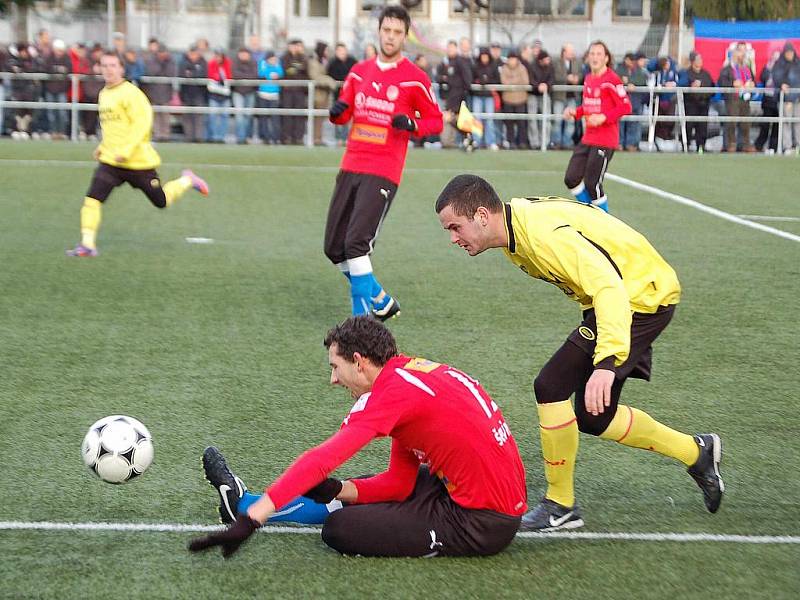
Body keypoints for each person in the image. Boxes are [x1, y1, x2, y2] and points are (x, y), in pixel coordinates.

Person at [434, 174, 724, 531]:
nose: (453, 238)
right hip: (624, 294)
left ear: (481, 215)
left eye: (455, 227)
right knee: (594, 418)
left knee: (551, 385)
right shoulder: (513, 231)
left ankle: (560, 504)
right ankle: (697, 452)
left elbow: (607, 285)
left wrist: (606, 362)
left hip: (638, 299)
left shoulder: (542, 236)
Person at [188, 316, 527, 558]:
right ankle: (245, 504)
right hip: (463, 490)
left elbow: (320, 460)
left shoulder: (390, 396)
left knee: (341, 529)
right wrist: (338, 489)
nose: (333, 379)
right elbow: (399, 484)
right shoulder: (409, 373)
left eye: (336, 367)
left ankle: (247, 510)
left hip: (481, 523)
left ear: (359, 361)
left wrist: (252, 522)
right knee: (356, 490)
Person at [325, 5, 443, 319]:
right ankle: (379, 297)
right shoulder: (358, 72)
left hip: (383, 170)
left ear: (405, 37)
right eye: (386, 30)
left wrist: (413, 126)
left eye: (397, 33)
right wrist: (337, 113)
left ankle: (361, 325)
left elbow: (436, 122)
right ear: (378, 31)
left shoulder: (415, 79)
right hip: (351, 164)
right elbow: (346, 113)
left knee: (356, 245)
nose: (390, 37)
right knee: (334, 248)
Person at [65, 51, 210, 257]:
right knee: (92, 199)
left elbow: (142, 126)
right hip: (111, 162)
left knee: (161, 202)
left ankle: (187, 180)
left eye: (113, 65)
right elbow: (112, 126)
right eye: (104, 66)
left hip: (138, 162)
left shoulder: (131, 94)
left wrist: (126, 150)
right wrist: (102, 147)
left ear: (122, 69)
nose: (108, 70)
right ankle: (87, 245)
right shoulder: (104, 93)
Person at [563, 41, 631, 213]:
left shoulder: (612, 80)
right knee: (571, 178)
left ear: (606, 58)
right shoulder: (588, 79)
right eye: (592, 54)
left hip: (605, 140)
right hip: (588, 138)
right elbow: (588, 106)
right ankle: (590, 214)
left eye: (599, 54)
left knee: (592, 183)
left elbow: (626, 107)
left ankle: (605, 224)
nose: (595, 57)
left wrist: (604, 117)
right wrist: (575, 113)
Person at [718, 46, 756, 153]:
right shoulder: (727, 69)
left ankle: (745, 144)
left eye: (743, 55)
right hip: (732, 99)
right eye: (739, 55)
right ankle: (730, 144)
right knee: (731, 122)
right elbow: (722, 82)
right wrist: (732, 84)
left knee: (746, 123)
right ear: (734, 56)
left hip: (745, 99)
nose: (741, 57)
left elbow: (752, 80)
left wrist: (752, 84)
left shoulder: (746, 68)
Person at [678, 52, 714, 153]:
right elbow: (682, 85)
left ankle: (701, 145)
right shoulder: (686, 73)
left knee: (702, 126)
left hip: (703, 104)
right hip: (691, 104)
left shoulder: (706, 74)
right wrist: (691, 87)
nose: (700, 62)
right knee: (689, 125)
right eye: (698, 60)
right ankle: (686, 144)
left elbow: (712, 87)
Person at [615, 52, 648, 152]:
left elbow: (642, 81)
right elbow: (616, 80)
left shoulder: (639, 71)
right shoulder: (619, 69)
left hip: (635, 101)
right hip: (621, 102)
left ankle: (631, 144)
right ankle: (619, 143)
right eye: (630, 60)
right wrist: (627, 82)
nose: (632, 63)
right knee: (620, 124)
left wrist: (629, 81)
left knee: (633, 123)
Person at [772, 42, 800, 153]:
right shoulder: (779, 64)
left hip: (798, 98)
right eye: (788, 52)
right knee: (786, 122)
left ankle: (798, 144)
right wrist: (781, 84)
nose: (790, 55)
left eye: (791, 52)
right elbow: (776, 77)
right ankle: (787, 146)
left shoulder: (798, 63)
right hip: (785, 99)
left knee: (798, 122)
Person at [326, 43, 357, 145]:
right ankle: (338, 138)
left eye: (343, 51)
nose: (342, 53)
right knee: (337, 115)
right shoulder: (332, 63)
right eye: (339, 51)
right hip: (337, 95)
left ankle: (346, 138)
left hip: (350, 94)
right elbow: (329, 76)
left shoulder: (352, 61)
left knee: (349, 116)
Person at [499, 51, 530, 149]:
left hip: (521, 99)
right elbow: (504, 82)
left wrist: (512, 81)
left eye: (514, 59)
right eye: (510, 59)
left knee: (521, 122)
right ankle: (511, 141)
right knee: (509, 123)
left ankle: (522, 142)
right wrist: (517, 80)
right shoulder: (504, 69)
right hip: (508, 100)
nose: (512, 61)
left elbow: (526, 81)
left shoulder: (522, 68)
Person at [178, 44, 208, 143]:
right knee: (187, 116)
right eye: (191, 53)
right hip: (186, 93)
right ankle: (189, 136)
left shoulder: (203, 63)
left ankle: (199, 137)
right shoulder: (183, 63)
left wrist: (192, 74)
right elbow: (182, 74)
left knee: (199, 116)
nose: (193, 56)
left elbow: (203, 75)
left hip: (199, 93)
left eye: (195, 53)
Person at [231, 47, 258, 144]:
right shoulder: (234, 62)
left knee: (248, 116)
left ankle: (246, 137)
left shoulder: (253, 63)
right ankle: (240, 138)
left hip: (250, 92)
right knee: (239, 116)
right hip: (238, 92)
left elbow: (255, 75)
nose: (243, 56)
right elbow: (234, 75)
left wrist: (242, 76)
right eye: (241, 53)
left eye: (245, 54)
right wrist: (247, 77)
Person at [256, 51, 284, 145]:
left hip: (274, 94)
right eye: (271, 58)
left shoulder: (277, 65)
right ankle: (265, 137)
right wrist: (270, 74)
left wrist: (272, 74)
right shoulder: (262, 64)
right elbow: (261, 74)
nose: (273, 60)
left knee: (275, 117)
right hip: (263, 94)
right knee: (263, 117)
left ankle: (275, 137)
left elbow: (280, 73)